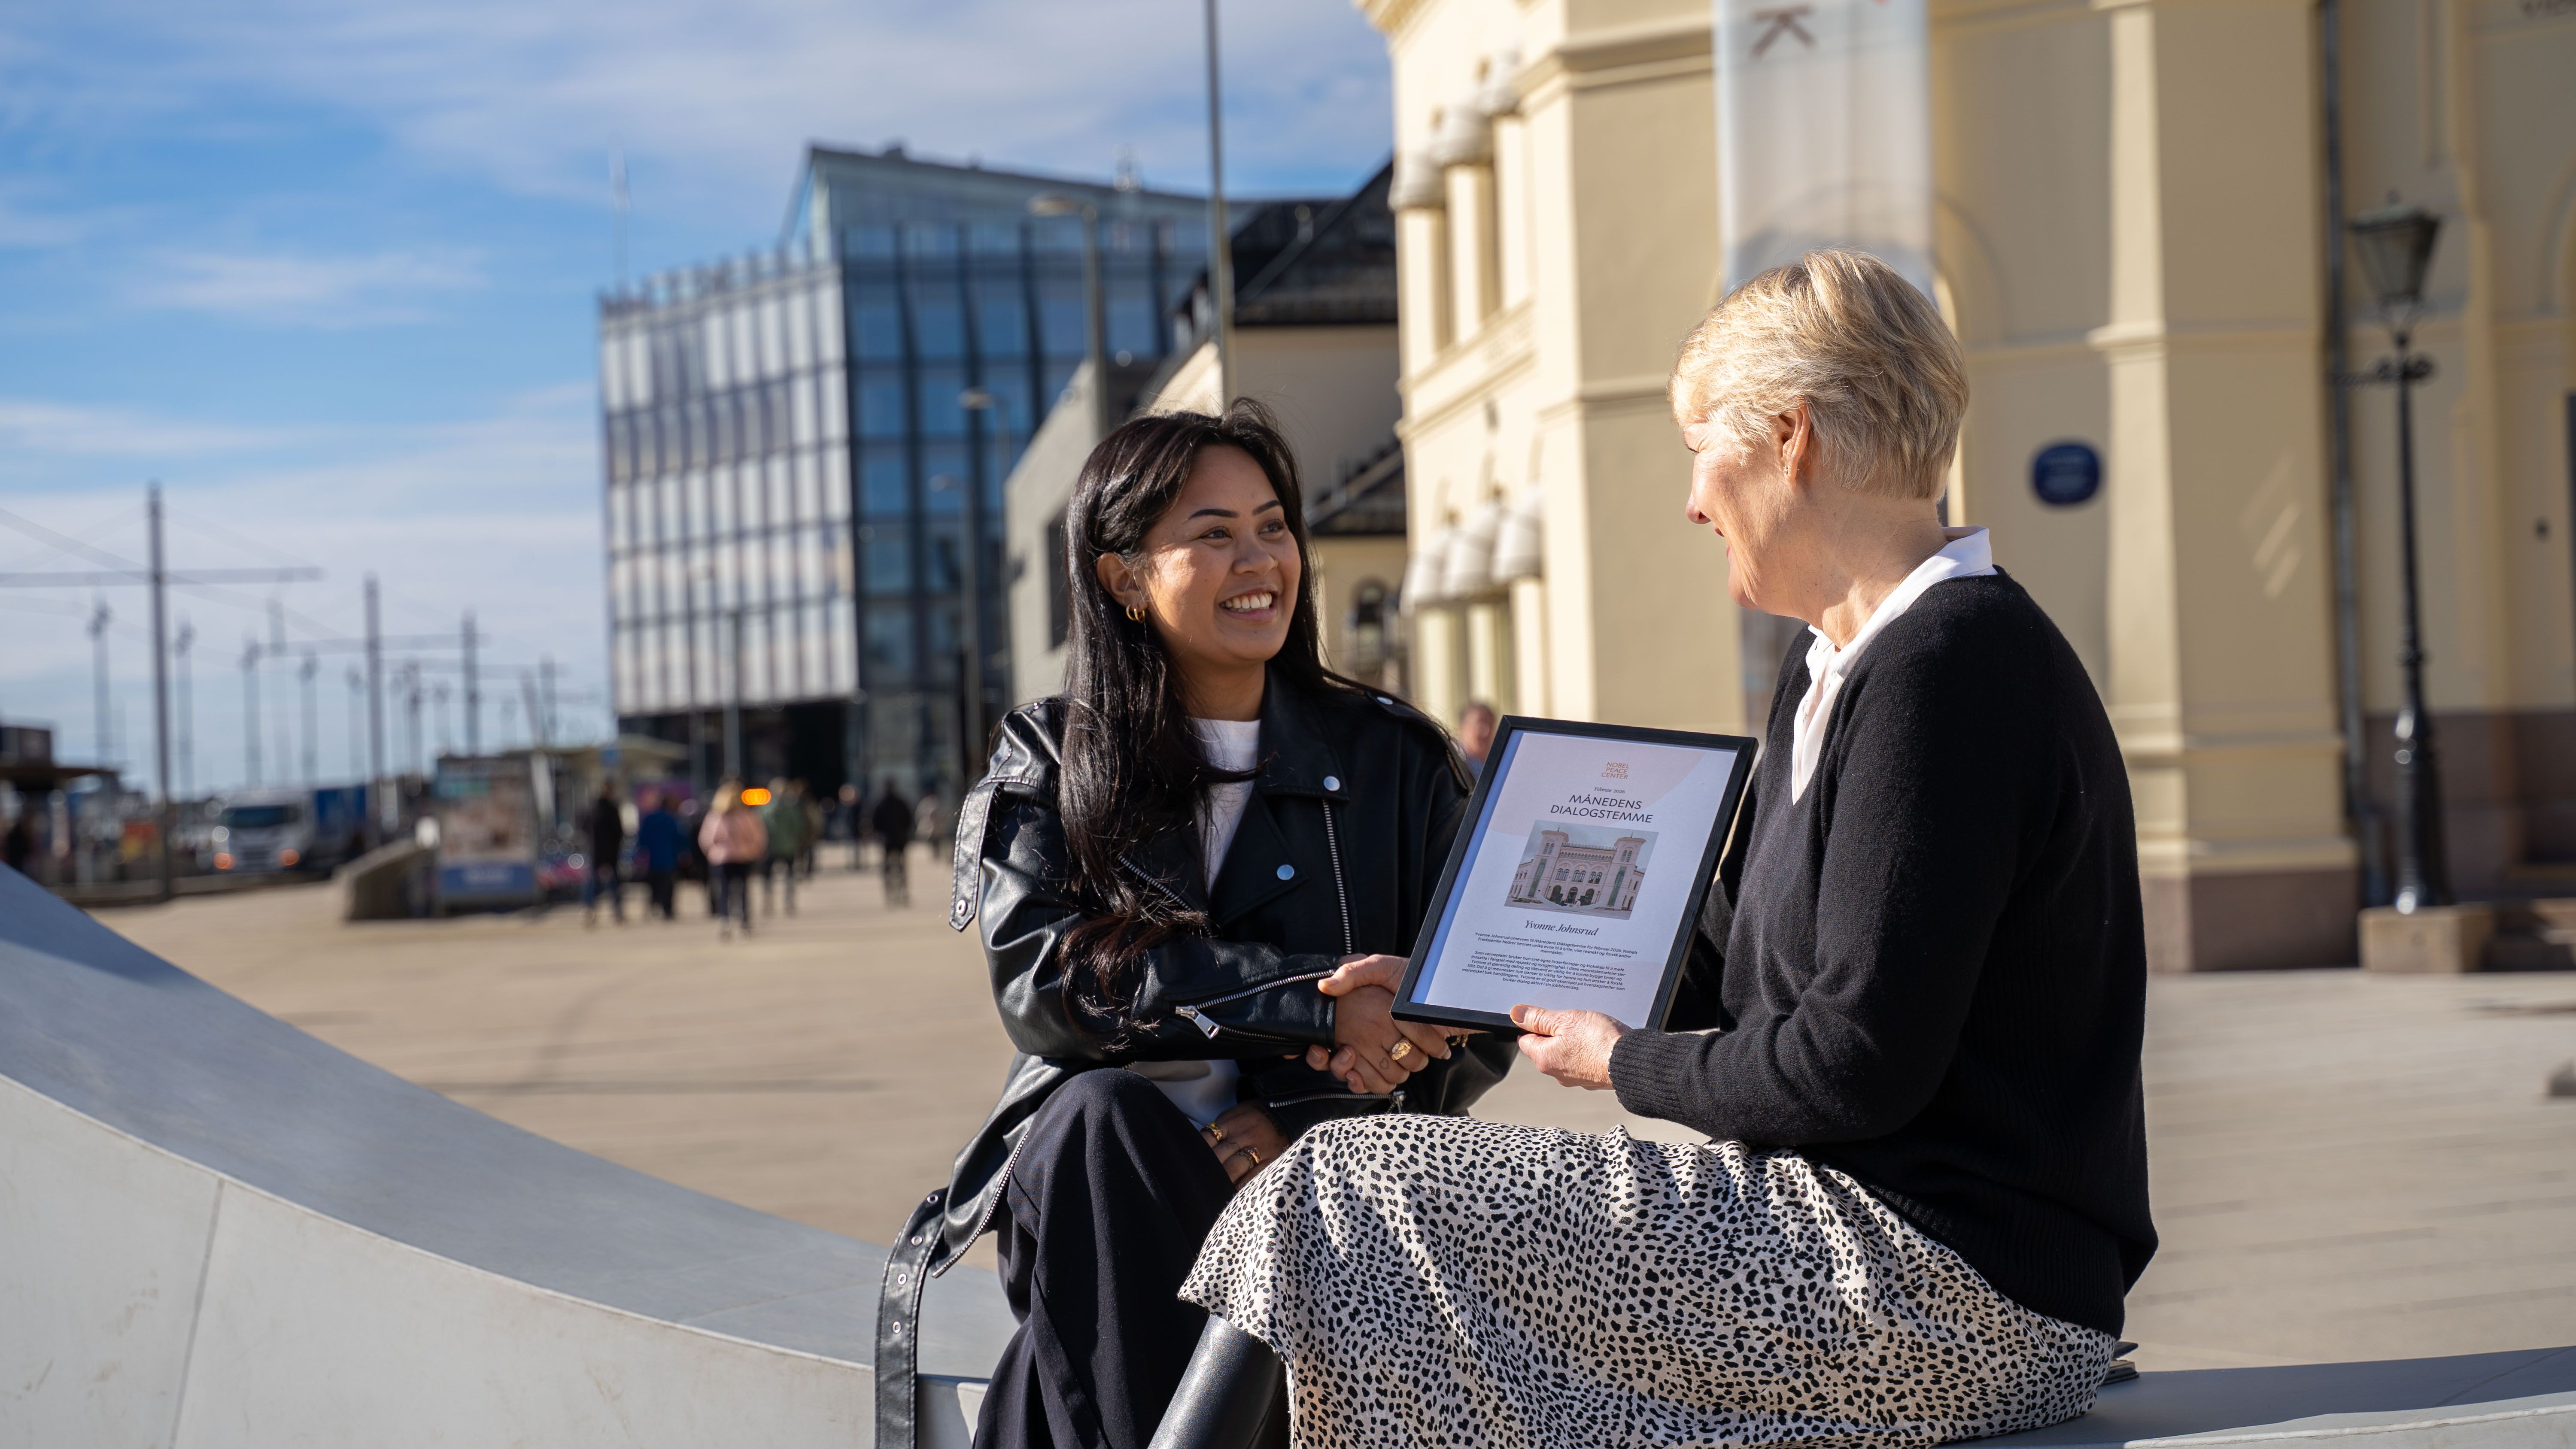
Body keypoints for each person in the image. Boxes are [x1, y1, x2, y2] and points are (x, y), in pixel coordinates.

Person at [1158, 253, 2157, 1449]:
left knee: (1341, 1189)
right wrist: (1452, 988)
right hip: (1858, 1251)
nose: (1692, 502)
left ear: (1789, 439)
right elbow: (1702, 961)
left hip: (1947, 1292)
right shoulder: (1838, 664)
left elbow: (1854, 1067)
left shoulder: (1947, 670)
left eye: (1700, 450)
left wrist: (1622, 1065)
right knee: (1366, 1221)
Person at [874, 402, 1516, 1449]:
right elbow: (1048, 986)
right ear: (1123, 577)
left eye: (1272, 526)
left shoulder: (1396, 759)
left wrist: (1299, 1125)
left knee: (1058, 1386)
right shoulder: (1054, 758)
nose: (1258, 561)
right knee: (1097, 1120)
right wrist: (1312, 1001)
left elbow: (1478, 1003)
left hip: (1327, 1193)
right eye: (1213, 535)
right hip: (1105, 1188)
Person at [697, 782, 767, 940]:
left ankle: (725, 920)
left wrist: (713, 852)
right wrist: (753, 851)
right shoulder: (746, 815)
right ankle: (744, 921)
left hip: (721, 859)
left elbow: (706, 838)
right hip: (743, 857)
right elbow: (758, 837)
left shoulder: (715, 816)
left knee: (724, 891)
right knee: (743, 891)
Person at [757, 776, 809, 917]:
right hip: (788, 847)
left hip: (770, 848)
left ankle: (769, 902)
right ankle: (789, 902)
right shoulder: (791, 809)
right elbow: (799, 827)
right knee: (789, 877)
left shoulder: (763, 809)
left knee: (768, 878)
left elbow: (758, 829)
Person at [633, 790, 683, 920]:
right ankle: (667, 909)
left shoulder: (649, 819)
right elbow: (678, 838)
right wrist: (683, 852)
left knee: (653, 885)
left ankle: (654, 905)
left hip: (652, 859)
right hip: (668, 858)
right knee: (667, 885)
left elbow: (642, 840)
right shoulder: (671, 819)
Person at [581, 781, 626, 926]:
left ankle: (590, 910)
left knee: (593, 883)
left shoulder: (593, 808)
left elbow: (584, 828)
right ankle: (617, 912)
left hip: (596, 851)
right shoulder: (612, 809)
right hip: (610, 853)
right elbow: (619, 832)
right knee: (612, 884)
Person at [869, 779, 913, 906]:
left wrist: (880, 835)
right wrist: (905, 832)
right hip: (900, 839)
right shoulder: (901, 802)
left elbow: (875, 823)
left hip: (887, 841)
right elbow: (909, 819)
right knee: (902, 867)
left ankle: (888, 892)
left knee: (887, 868)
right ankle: (904, 891)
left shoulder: (881, 804)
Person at [1454, 699, 1497, 780]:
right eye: (1481, 726)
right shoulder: (1452, 765)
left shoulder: (1499, 765)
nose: (1487, 732)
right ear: (1464, 728)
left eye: (1491, 725)